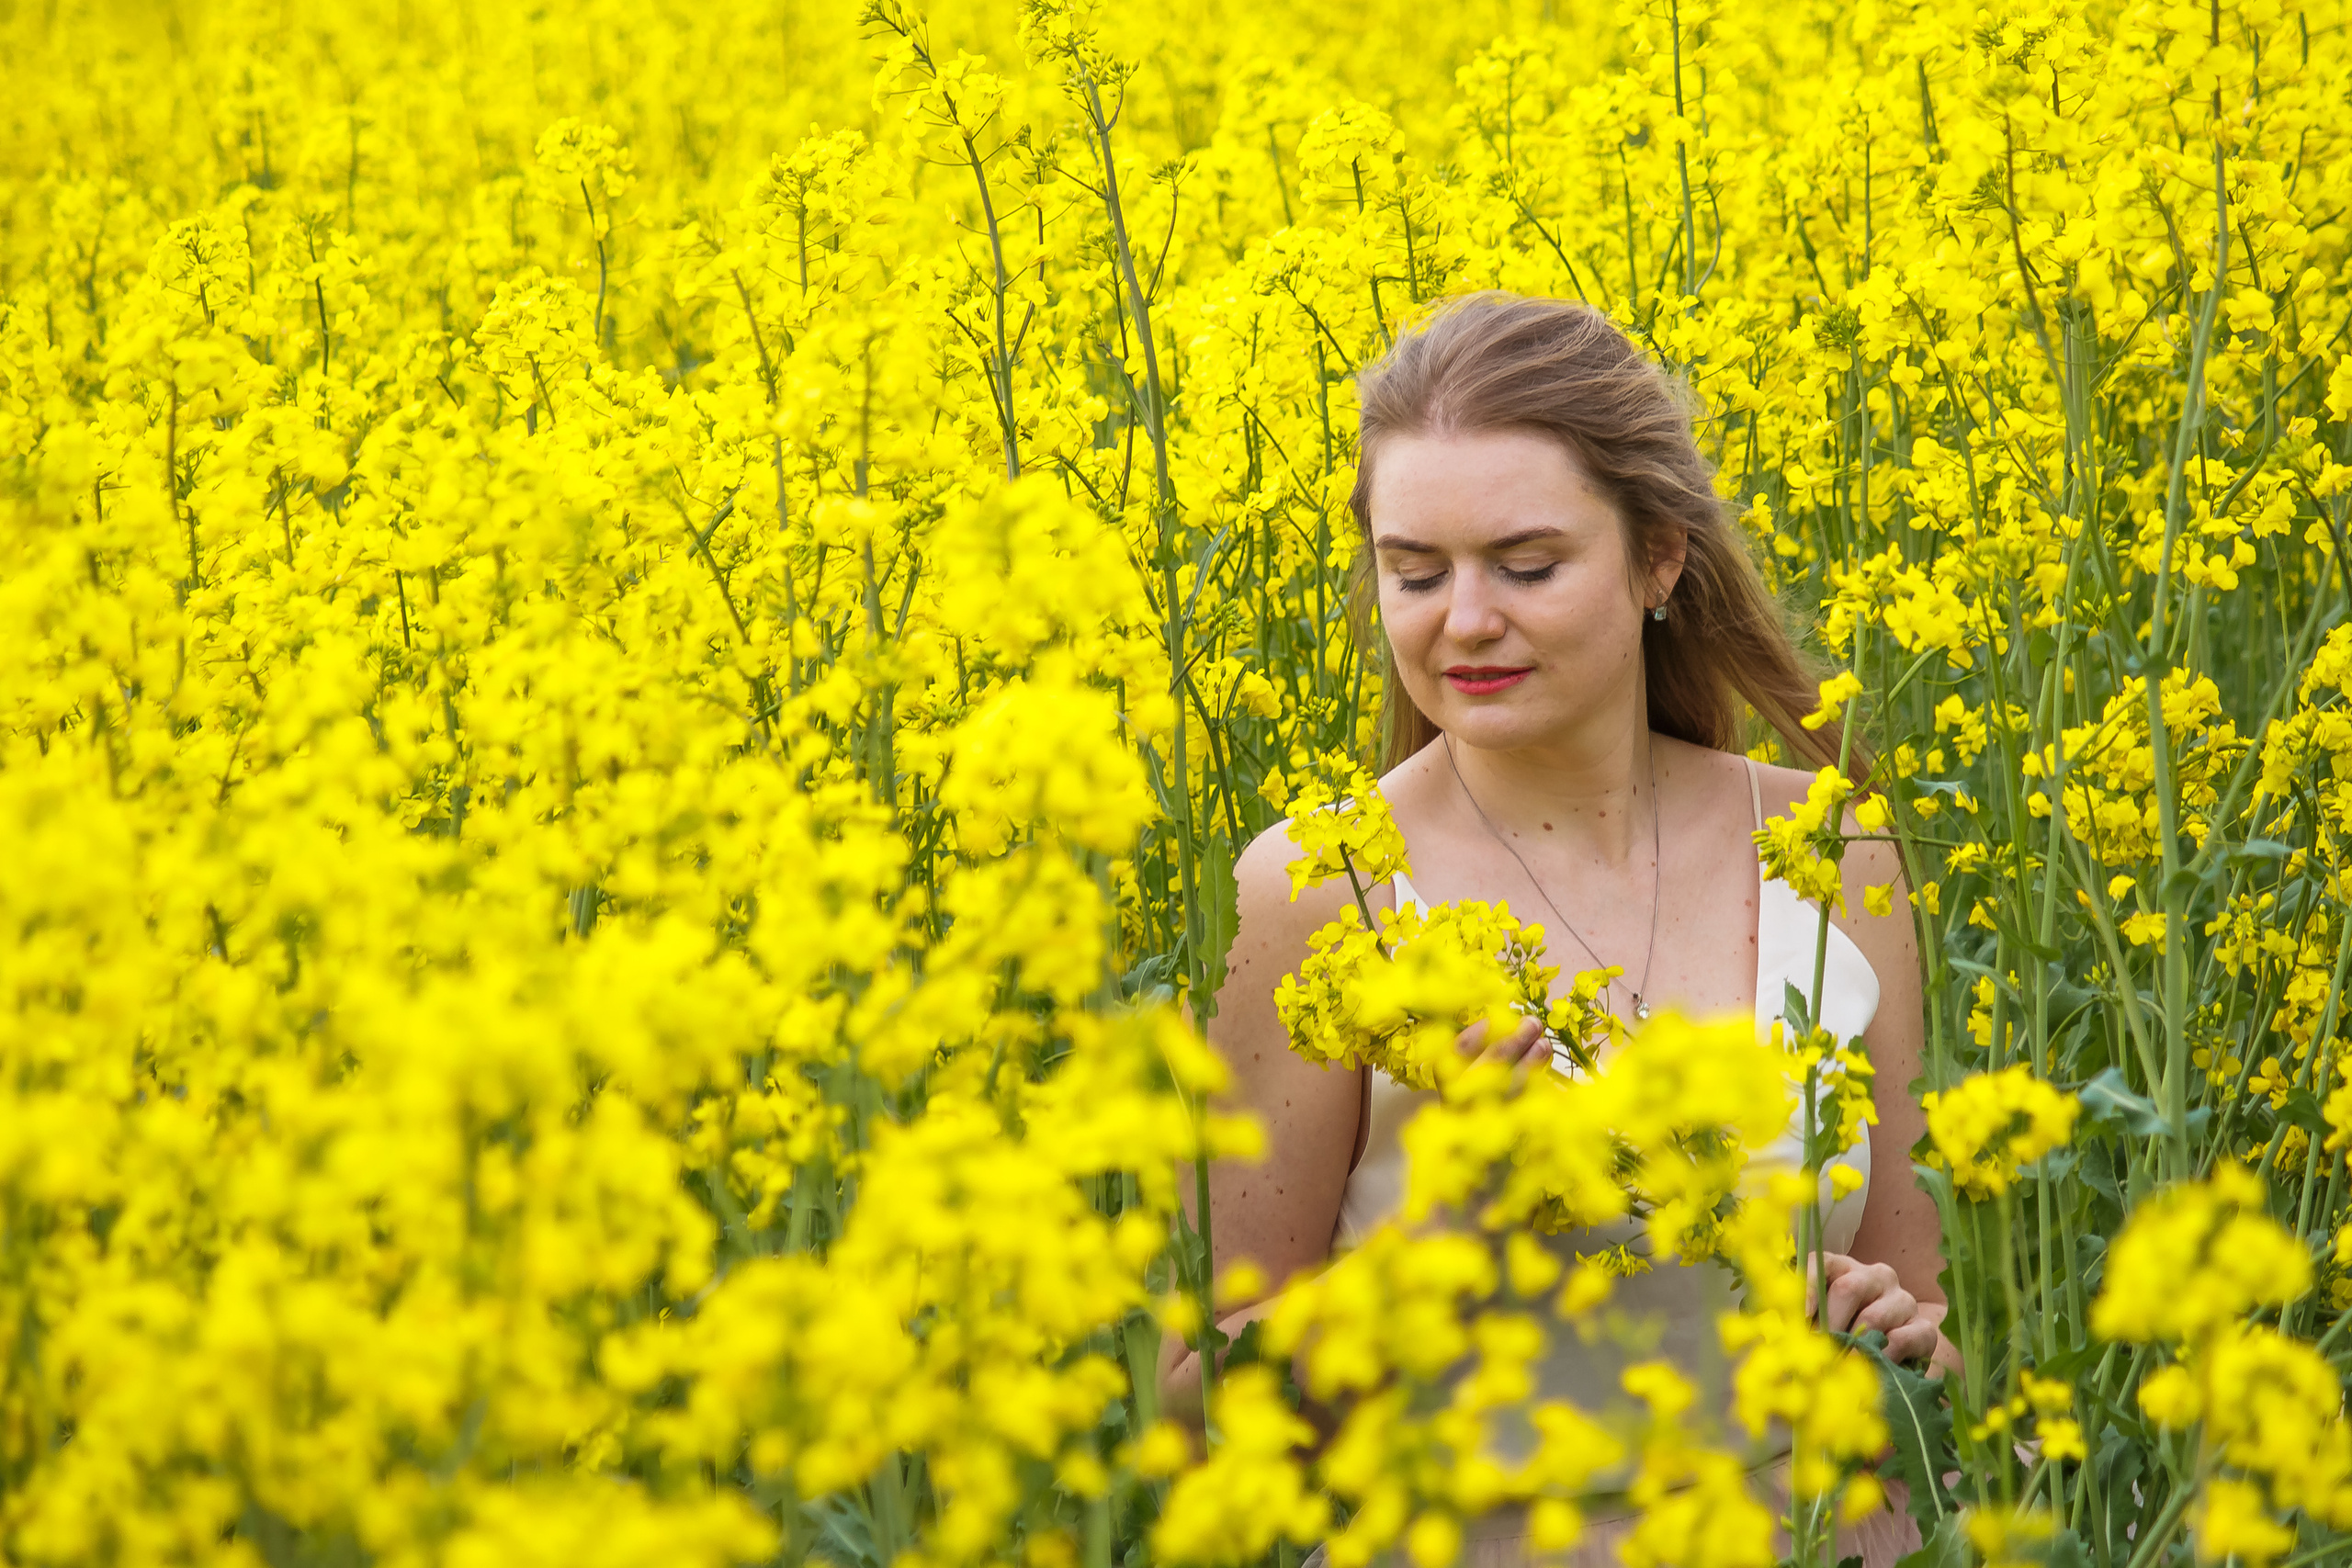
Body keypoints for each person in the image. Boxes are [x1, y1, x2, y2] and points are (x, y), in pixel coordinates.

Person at [1161, 294, 1961, 1567]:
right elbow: (1199, 1406)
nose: (1461, 620)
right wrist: (1436, 1241)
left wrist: (1897, 1334)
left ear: (1659, 561)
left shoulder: (1835, 846)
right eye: (1413, 572)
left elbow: (1930, 1317)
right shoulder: (1321, 888)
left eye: (1526, 568)